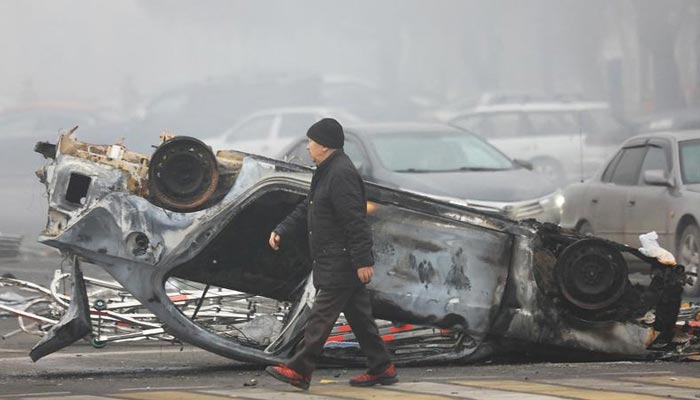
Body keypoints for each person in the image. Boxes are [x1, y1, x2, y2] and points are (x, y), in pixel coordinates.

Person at [265, 118, 397, 390]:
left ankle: (300, 369)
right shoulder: (326, 171)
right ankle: (382, 367)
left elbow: (355, 220)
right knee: (360, 319)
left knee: (320, 318)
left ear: (324, 146)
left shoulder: (341, 174)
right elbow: (308, 208)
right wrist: (282, 229)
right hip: (334, 257)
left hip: (342, 259)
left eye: (311, 143)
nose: (308, 148)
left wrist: (363, 261)